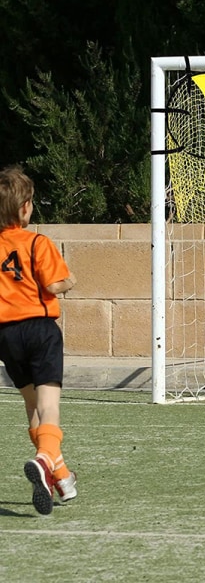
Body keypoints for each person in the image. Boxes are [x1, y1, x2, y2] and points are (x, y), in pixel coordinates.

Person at [0, 165, 77, 514]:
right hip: (40, 330)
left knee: (32, 406)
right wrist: (69, 281)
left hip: (5, 335)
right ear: (25, 208)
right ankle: (45, 458)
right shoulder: (37, 242)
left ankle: (61, 476)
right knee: (49, 407)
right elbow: (54, 283)